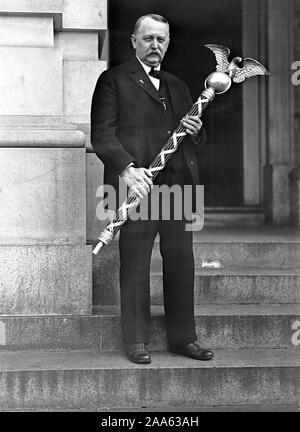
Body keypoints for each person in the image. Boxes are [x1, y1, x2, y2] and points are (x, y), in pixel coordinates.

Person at [91, 14, 214, 364]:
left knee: (180, 261)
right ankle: (136, 341)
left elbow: (193, 141)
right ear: (133, 41)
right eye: (148, 39)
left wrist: (195, 130)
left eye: (161, 39)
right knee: (135, 263)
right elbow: (102, 134)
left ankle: (183, 339)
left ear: (168, 41)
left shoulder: (177, 84)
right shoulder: (112, 80)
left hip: (178, 186)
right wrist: (127, 170)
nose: (155, 45)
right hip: (136, 187)